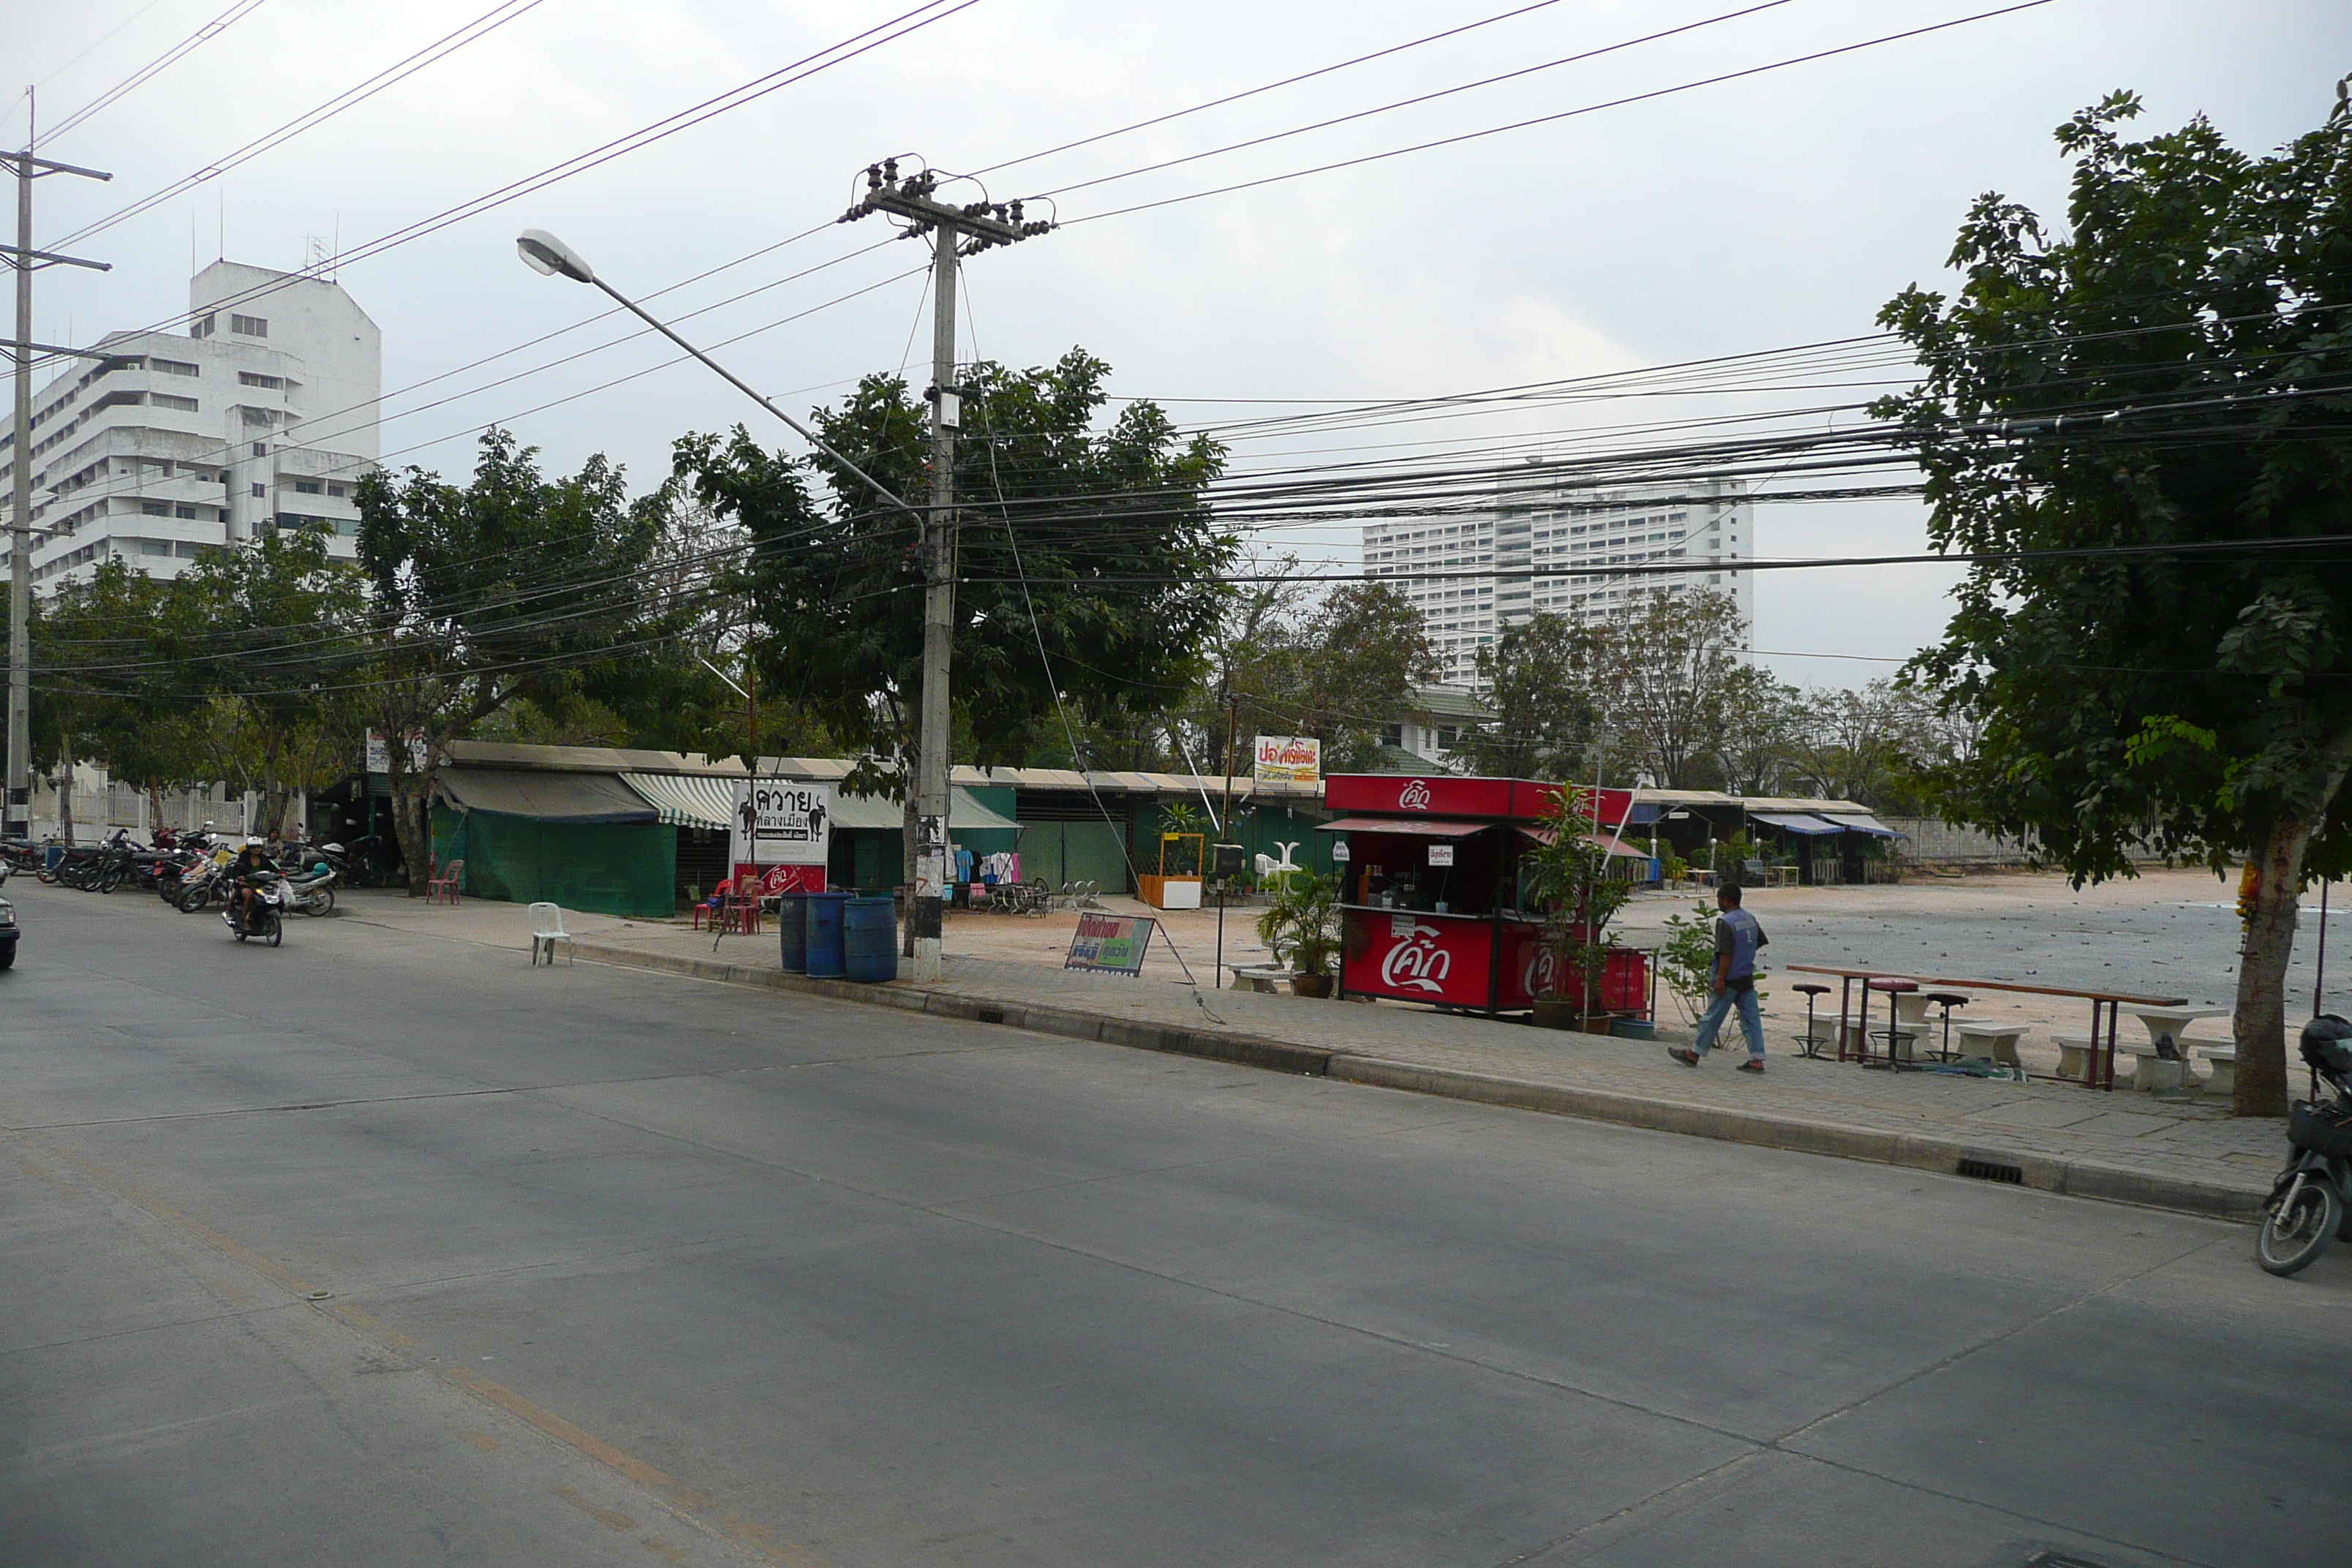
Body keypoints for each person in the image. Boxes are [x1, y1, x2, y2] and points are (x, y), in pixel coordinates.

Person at [1669, 883, 1770, 1073]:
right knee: (1751, 1019)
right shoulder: (1750, 918)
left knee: (1712, 1017)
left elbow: (1725, 953)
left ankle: (1694, 1053)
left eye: (1719, 899)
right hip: (1746, 977)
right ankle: (1757, 1059)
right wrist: (1745, 956)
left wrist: (1720, 978)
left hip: (1729, 979)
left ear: (1726, 899)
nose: (1718, 902)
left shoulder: (1726, 922)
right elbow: (1759, 941)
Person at [226, 838, 276, 933]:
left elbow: (273, 868)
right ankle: (245, 919)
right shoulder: (243, 858)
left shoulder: (264, 858)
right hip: (246, 885)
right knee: (249, 895)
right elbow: (236, 870)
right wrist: (240, 877)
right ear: (249, 848)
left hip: (261, 884)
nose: (256, 849)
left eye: (259, 847)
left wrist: (281, 873)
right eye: (253, 847)